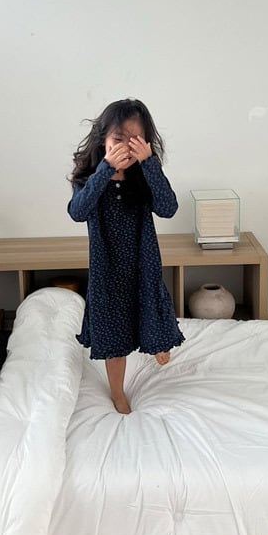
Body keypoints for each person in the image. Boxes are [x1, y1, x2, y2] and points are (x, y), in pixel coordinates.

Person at [68, 98, 184, 414]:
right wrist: (106, 169)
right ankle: (118, 393)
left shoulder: (144, 176)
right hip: (107, 268)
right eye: (119, 139)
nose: (126, 147)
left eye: (136, 140)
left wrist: (149, 164)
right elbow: (78, 212)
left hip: (142, 262)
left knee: (149, 307)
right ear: (102, 139)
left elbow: (168, 208)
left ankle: (157, 342)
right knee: (113, 334)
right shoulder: (89, 178)